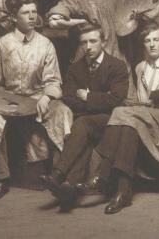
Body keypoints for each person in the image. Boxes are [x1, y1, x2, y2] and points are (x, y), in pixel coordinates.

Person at [81, 24, 159, 214]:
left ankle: (102, 175)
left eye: (156, 40)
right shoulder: (140, 68)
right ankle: (123, 192)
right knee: (128, 121)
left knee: (122, 114)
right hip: (144, 119)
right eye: (147, 41)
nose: (152, 44)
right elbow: (136, 101)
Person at [0, 0, 73, 201]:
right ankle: (1, 179)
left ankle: (58, 174)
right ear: (14, 17)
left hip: (38, 98)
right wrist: (1, 103)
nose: (32, 16)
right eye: (26, 12)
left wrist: (46, 97)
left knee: (63, 113)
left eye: (34, 12)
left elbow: (53, 80)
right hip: (10, 100)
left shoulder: (46, 44)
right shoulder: (1, 45)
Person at [39, 23, 130, 211]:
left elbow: (116, 100)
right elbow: (70, 98)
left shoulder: (118, 66)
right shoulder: (75, 69)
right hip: (87, 122)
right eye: (84, 43)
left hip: (112, 122)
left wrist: (88, 96)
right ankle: (69, 187)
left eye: (93, 41)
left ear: (103, 42)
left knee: (82, 123)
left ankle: (58, 174)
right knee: (83, 137)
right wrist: (98, 99)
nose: (88, 47)